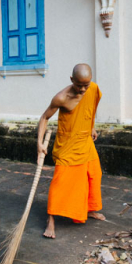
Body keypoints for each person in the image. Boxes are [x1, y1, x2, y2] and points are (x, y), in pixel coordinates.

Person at [37, 63, 105, 239]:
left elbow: (91, 108)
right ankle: (50, 220)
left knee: (93, 175)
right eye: (79, 85)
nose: (83, 89)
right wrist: (39, 143)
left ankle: (89, 209)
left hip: (85, 141)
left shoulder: (93, 89)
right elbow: (44, 117)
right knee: (61, 183)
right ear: (71, 80)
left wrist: (91, 127)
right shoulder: (61, 98)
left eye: (86, 85)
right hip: (67, 145)